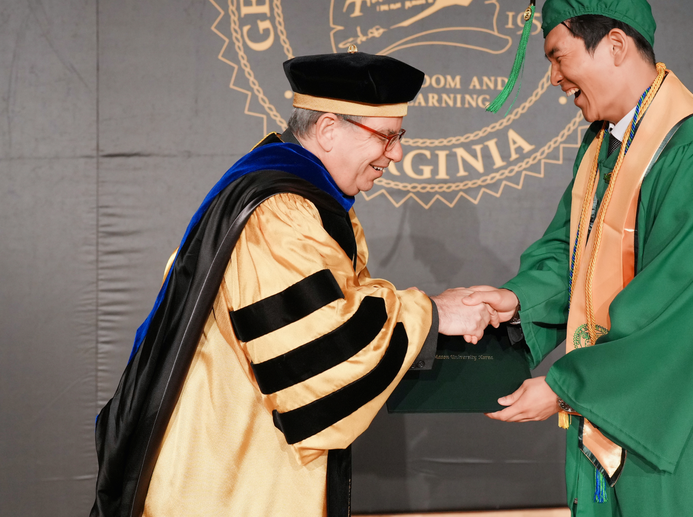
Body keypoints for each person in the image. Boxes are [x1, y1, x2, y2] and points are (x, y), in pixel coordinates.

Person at [90, 50, 494, 517]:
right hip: (230, 482)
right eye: (386, 137)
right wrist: (434, 313)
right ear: (326, 129)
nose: (397, 153)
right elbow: (321, 359)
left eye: (398, 136)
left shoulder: (285, 192)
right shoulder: (280, 213)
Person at [463, 0, 693, 515]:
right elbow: (570, 257)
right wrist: (517, 300)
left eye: (559, 57)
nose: (554, 78)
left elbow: (674, 308)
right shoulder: (603, 149)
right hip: (628, 410)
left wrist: (566, 387)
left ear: (614, 46)